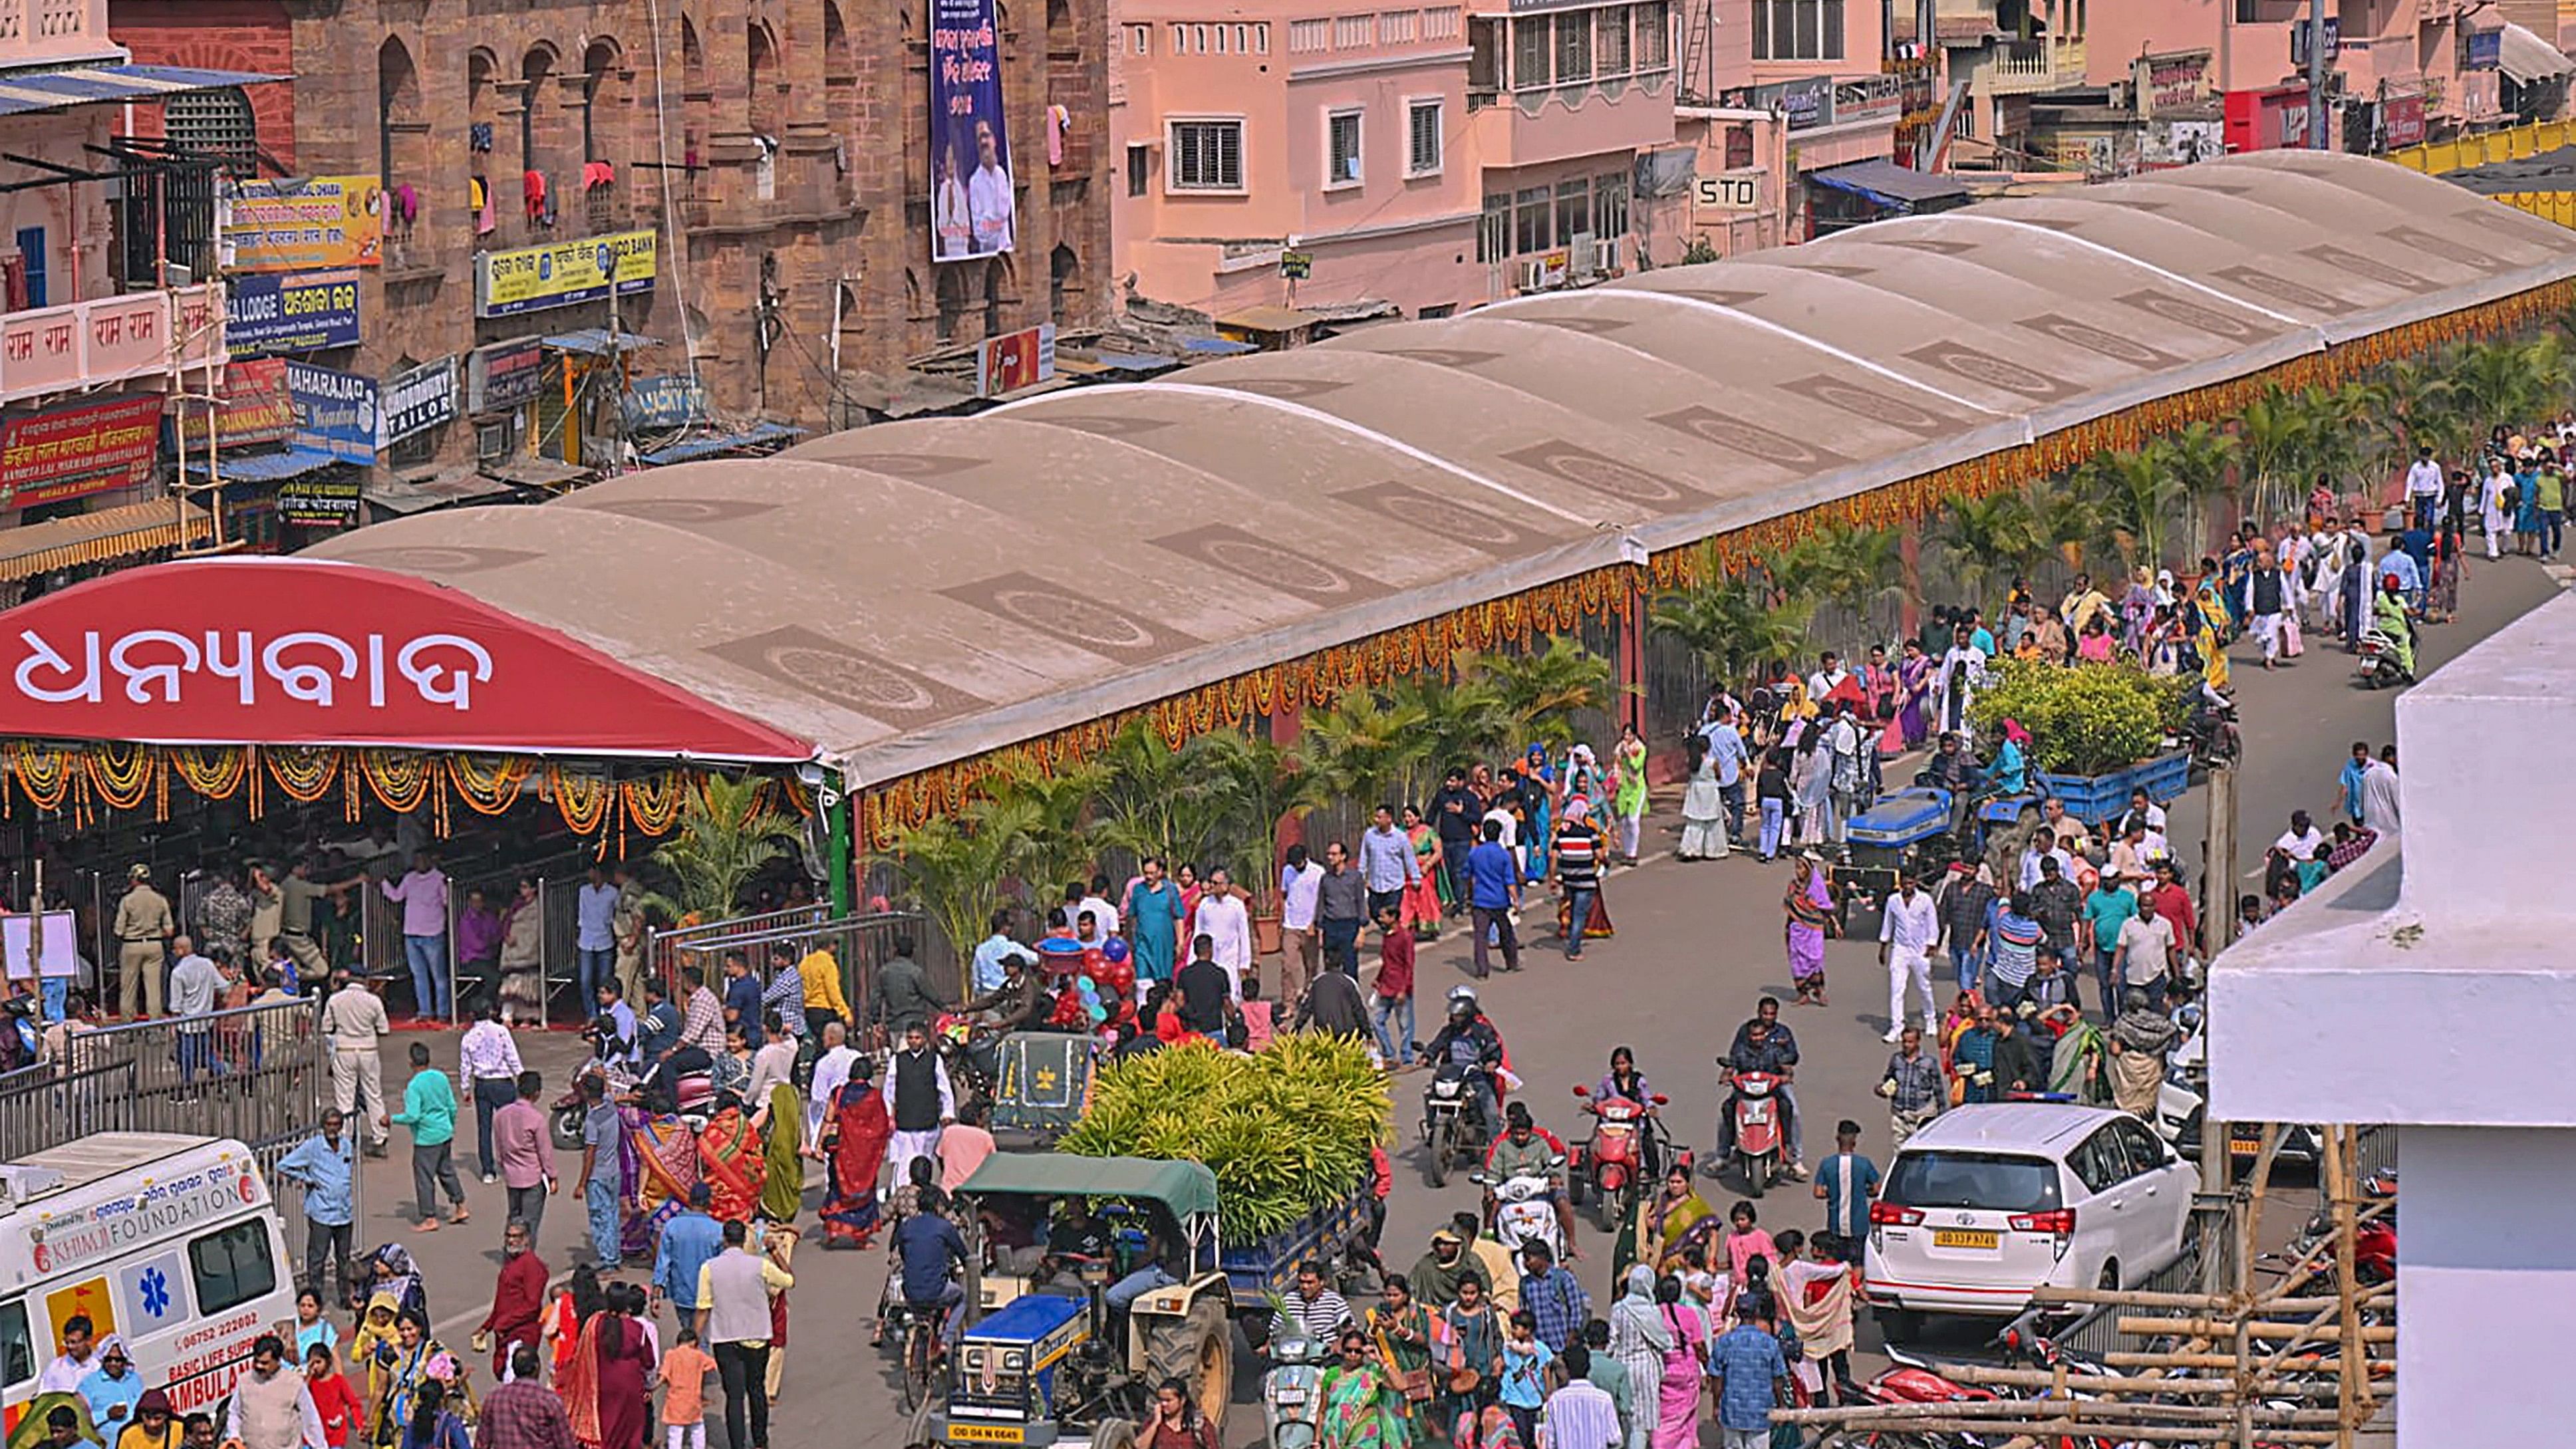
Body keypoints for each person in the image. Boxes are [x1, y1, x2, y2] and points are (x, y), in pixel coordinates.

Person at [695, 1217, 789, 1449]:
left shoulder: (709, 1269)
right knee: (757, 1389)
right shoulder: (760, 1265)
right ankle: (760, 1441)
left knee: (734, 1397)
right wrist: (775, 1252)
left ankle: (737, 1444)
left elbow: (703, 1308)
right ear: (745, 1239)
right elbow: (788, 1279)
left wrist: (693, 1340)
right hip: (757, 1337)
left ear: (724, 1240)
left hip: (726, 1339)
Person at [275, 1109, 358, 1303]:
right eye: (329, 1125)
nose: (333, 1129)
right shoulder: (312, 1147)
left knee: (343, 1258)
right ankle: (315, 1298)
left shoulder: (346, 1145)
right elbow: (284, 1165)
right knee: (317, 1259)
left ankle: (345, 1296)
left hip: (344, 1212)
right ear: (323, 1126)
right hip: (322, 1213)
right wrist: (307, 1179)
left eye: (336, 1124)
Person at [390, 1040, 467, 1232]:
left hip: (426, 1138)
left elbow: (413, 1116)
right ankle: (460, 1205)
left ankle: (429, 1217)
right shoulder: (440, 1077)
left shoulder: (414, 1087)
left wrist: (391, 1119)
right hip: (444, 1132)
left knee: (424, 1177)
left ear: (411, 1063)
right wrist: (449, 1124)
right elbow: (451, 1106)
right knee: (446, 1170)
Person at [321, 972, 391, 1158]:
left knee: (345, 1097)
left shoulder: (335, 1000)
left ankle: (345, 1137)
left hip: (345, 1050)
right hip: (368, 1050)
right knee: (373, 1095)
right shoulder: (373, 1000)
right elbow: (384, 1029)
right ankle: (380, 1137)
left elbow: (326, 1027)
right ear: (365, 981)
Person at [380, 851, 452, 1021]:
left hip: (433, 933)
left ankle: (443, 1013)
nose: (418, 863)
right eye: (416, 860)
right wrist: (384, 883)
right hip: (411, 933)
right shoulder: (410, 878)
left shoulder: (439, 878)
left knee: (439, 976)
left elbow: (448, 901)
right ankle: (425, 1012)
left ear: (430, 860)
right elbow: (397, 896)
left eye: (422, 859)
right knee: (419, 976)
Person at [460, 999, 524, 1184]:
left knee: (485, 1128)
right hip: (503, 1082)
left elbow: (465, 1067)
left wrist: (465, 1089)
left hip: (482, 1084)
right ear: (490, 1012)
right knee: (510, 1127)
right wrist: (521, 1076)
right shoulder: (501, 1032)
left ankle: (488, 1171)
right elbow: (511, 1056)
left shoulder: (469, 1037)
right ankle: (512, 1163)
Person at [1366, 1275, 1437, 1441]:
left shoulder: (1415, 1313)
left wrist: (1399, 1330)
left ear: (1405, 1296)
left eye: (1395, 1295)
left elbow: (1425, 1340)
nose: (1391, 1299)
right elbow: (1367, 1341)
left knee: (1420, 1427)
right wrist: (1376, 1326)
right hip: (1390, 1377)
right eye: (1388, 1295)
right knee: (1392, 1427)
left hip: (1415, 1378)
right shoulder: (1375, 1314)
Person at [479, 1219, 548, 1378]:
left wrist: (503, 1323)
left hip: (520, 1335)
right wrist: (487, 1327)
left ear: (527, 1239)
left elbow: (532, 1306)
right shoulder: (513, 1264)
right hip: (506, 1333)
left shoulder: (532, 1266)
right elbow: (502, 1302)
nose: (511, 1240)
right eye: (508, 1236)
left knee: (514, 1381)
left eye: (517, 1236)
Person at [1876, 871, 1938, 1045]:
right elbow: (1888, 924)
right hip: (1900, 949)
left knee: (1924, 986)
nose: (1908, 887)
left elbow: (1933, 923)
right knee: (1897, 989)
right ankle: (1897, 1026)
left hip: (1920, 950)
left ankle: (1930, 1018)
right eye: (1905, 884)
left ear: (1916, 882)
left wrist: (1931, 944)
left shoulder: (1925, 900)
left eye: (1911, 883)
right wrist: (1883, 947)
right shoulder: (1893, 901)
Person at [1646, 1276, 1707, 1449]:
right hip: (1687, 1371)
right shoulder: (1689, 1314)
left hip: (1663, 1371)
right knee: (1687, 1418)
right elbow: (1699, 1346)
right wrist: (1708, 1365)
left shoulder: (1654, 1314)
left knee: (1665, 1415)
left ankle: (1662, 1442)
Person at [578, 1074, 625, 1271]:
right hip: (614, 1172)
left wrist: (582, 1183)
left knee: (600, 1218)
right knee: (612, 1216)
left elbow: (590, 1153)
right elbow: (608, 1090)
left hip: (598, 1175)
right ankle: (614, 1256)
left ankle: (609, 1261)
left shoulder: (592, 1121)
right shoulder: (610, 1105)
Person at [1465, 819, 1522, 978]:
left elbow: (1467, 876)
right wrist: (1516, 900)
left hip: (1481, 900)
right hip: (1499, 901)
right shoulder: (1503, 855)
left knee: (1480, 937)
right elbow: (1509, 881)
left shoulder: (1475, 853)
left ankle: (1482, 970)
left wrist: (1470, 894)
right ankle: (1512, 962)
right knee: (1506, 933)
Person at [1810, 1120, 1878, 1253]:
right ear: (1854, 1141)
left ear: (1837, 1139)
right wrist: (1864, 1192)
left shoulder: (1827, 1164)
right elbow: (1876, 1189)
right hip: (1860, 1225)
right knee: (1858, 1262)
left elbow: (1818, 1192)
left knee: (1838, 1261)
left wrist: (1833, 1193)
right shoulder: (1864, 1164)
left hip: (1835, 1224)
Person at [1495, 1309, 1553, 1448]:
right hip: (1515, 1399)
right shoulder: (1508, 1348)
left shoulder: (1541, 1349)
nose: (1512, 1331)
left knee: (1534, 1435)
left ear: (1528, 1330)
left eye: (1516, 1328)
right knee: (1520, 1434)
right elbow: (1504, 1368)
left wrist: (1548, 1391)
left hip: (1535, 1400)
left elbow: (1546, 1370)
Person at [1518, 1240, 1590, 1353]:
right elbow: (1524, 1314)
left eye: (1528, 1259)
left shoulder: (1563, 1279)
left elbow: (1576, 1312)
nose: (1525, 1264)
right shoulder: (1525, 1284)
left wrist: (1570, 1341)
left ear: (1542, 1258)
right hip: (1539, 1350)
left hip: (1563, 1346)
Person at [1783, 854, 1833, 1008]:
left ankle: (1819, 991)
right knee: (1797, 960)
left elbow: (1825, 907)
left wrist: (1835, 925)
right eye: (1797, 868)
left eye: (1802, 868)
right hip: (1796, 928)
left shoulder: (1816, 887)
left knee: (1815, 959)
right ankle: (1803, 993)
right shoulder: (1793, 886)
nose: (1798, 872)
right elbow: (1789, 905)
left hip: (1814, 929)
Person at [657, 1326, 715, 1449]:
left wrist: (653, 1387)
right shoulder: (698, 1356)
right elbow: (712, 1364)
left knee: (675, 1432)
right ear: (694, 1342)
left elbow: (664, 1375)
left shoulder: (671, 1354)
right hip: (694, 1399)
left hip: (676, 1400)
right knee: (697, 1427)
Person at [303, 1345, 362, 1449]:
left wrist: (359, 1425)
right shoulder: (309, 1383)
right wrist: (308, 1376)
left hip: (335, 1435)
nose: (315, 1367)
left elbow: (354, 1404)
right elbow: (301, 1398)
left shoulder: (338, 1381)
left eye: (319, 1362)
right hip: (314, 1435)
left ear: (328, 1361)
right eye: (312, 1364)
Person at [78, 1336, 140, 1435]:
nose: (113, 1364)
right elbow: (81, 1421)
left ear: (125, 1361)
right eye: (108, 1359)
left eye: (117, 1360)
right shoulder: (89, 1384)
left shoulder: (134, 1378)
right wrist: (106, 1415)